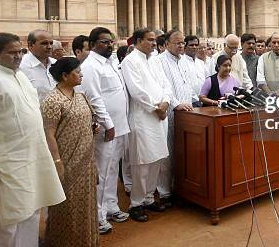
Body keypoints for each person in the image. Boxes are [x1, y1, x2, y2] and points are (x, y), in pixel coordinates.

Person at [0, 32, 65, 246]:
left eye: (20, 52)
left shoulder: (21, 76)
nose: (18, 57)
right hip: (6, 163)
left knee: (32, 213)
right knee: (8, 222)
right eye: (11, 53)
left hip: (34, 157)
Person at [41, 57, 100, 247]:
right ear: (65, 76)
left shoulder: (80, 96)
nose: (81, 74)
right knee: (66, 206)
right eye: (77, 71)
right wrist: (57, 162)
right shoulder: (53, 100)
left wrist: (93, 128)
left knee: (86, 204)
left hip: (86, 161)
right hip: (65, 162)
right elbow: (48, 134)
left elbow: (88, 121)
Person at [80, 27, 131, 234]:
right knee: (101, 172)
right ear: (92, 45)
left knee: (112, 170)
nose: (109, 45)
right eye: (104, 42)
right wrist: (107, 124)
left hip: (118, 126)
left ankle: (111, 207)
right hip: (105, 129)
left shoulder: (110, 63)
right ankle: (97, 217)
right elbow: (93, 98)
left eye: (111, 42)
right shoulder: (91, 66)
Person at [121, 28, 171, 222]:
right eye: (149, 40)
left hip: (160, 116)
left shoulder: (155, 60)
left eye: (154, 40)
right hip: (143, 117)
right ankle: (136, 203)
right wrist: (155, 108)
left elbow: (166, 85)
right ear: (138, 40)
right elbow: (137, 91)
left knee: (157, 159)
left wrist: (165, 102)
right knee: (142, 163)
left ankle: (149, 197)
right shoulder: (130, 61)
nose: (153, 43)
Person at [154, 30, 194, 207]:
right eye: (177, 43)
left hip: (187, 112)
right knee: (167, 153)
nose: (181, 46)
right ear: (167, 43)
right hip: (169, 112)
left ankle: (180, 188)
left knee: (183, 152)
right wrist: (176, 104)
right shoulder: (159, 61)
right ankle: (164, 192)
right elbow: (163, 88)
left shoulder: (184, 60)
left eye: (182, 42)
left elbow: (189, 85)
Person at [20, 29, 57, 102]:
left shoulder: (56, 63)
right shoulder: (21, 67)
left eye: (51, 43)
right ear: (30, 45)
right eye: (44, 43)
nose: (49, 47)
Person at [184, 35, 207, 106]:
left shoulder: (201, 63)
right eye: (191, 45)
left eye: (196, 45)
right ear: (185, 47)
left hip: (204, 100)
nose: (194, 47)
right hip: (190, 102)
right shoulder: (181, 62)